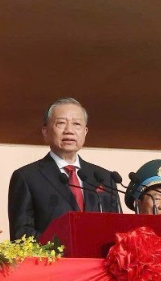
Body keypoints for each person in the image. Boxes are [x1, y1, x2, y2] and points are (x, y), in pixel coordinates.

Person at [8, 98, 120, 240]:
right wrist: (62, 246)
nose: (69, 131)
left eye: (76, 124)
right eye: (61, 123)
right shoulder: (27, 177)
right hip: (53, 254)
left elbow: (116, 229)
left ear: (85, 132)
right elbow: (21, 233)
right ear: (45, 132)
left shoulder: (104, 178)